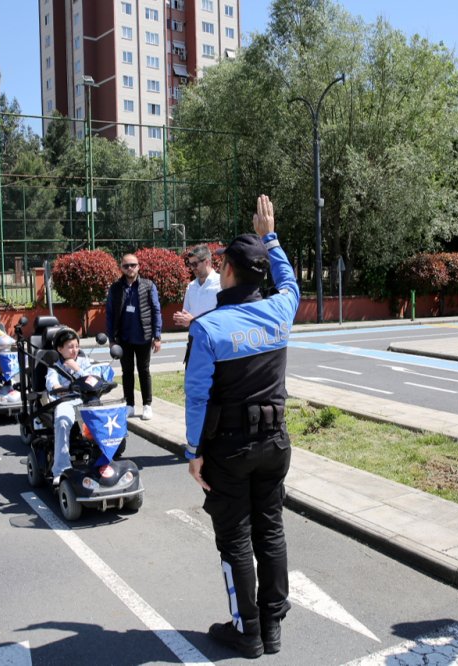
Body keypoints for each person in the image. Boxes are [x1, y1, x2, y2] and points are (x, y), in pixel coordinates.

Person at [184, 194, 299, 659]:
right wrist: (270, 235)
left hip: (229, 450)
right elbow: (288, 279)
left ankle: (246, 631)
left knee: (235, 538)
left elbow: (196, 397)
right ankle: (272, 628)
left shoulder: (209, 328)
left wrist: (194, 451)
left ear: (227, 270)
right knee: (270, 531)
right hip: (276, 443)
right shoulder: (281, 309)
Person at [105, 252, 162, 420]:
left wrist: (157, 336)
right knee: (126, 372)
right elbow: (109, 314)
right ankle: (129, 404)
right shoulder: (115, 288)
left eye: (133, 265)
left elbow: (156, 310)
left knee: (144, 371)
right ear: (121, 268)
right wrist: (111, 339)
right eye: (126, 265)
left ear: (138, 267)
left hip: (144, 336)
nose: (130, 268)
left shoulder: (148, 285)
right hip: (124, 338)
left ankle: (147, 405)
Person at [45, 329, 95, 484]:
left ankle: (101, 462)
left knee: (101, 420)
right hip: (65, 400)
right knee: (62, 421)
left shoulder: (84, 361)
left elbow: (92, 381)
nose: (75, 350)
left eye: (77, 346)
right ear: (60, 349)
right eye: (70, 347)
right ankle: (61, 469)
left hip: (85, 400)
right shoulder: (55, 365)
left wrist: (77, 369)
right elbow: (51, 383)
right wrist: (57, 386)